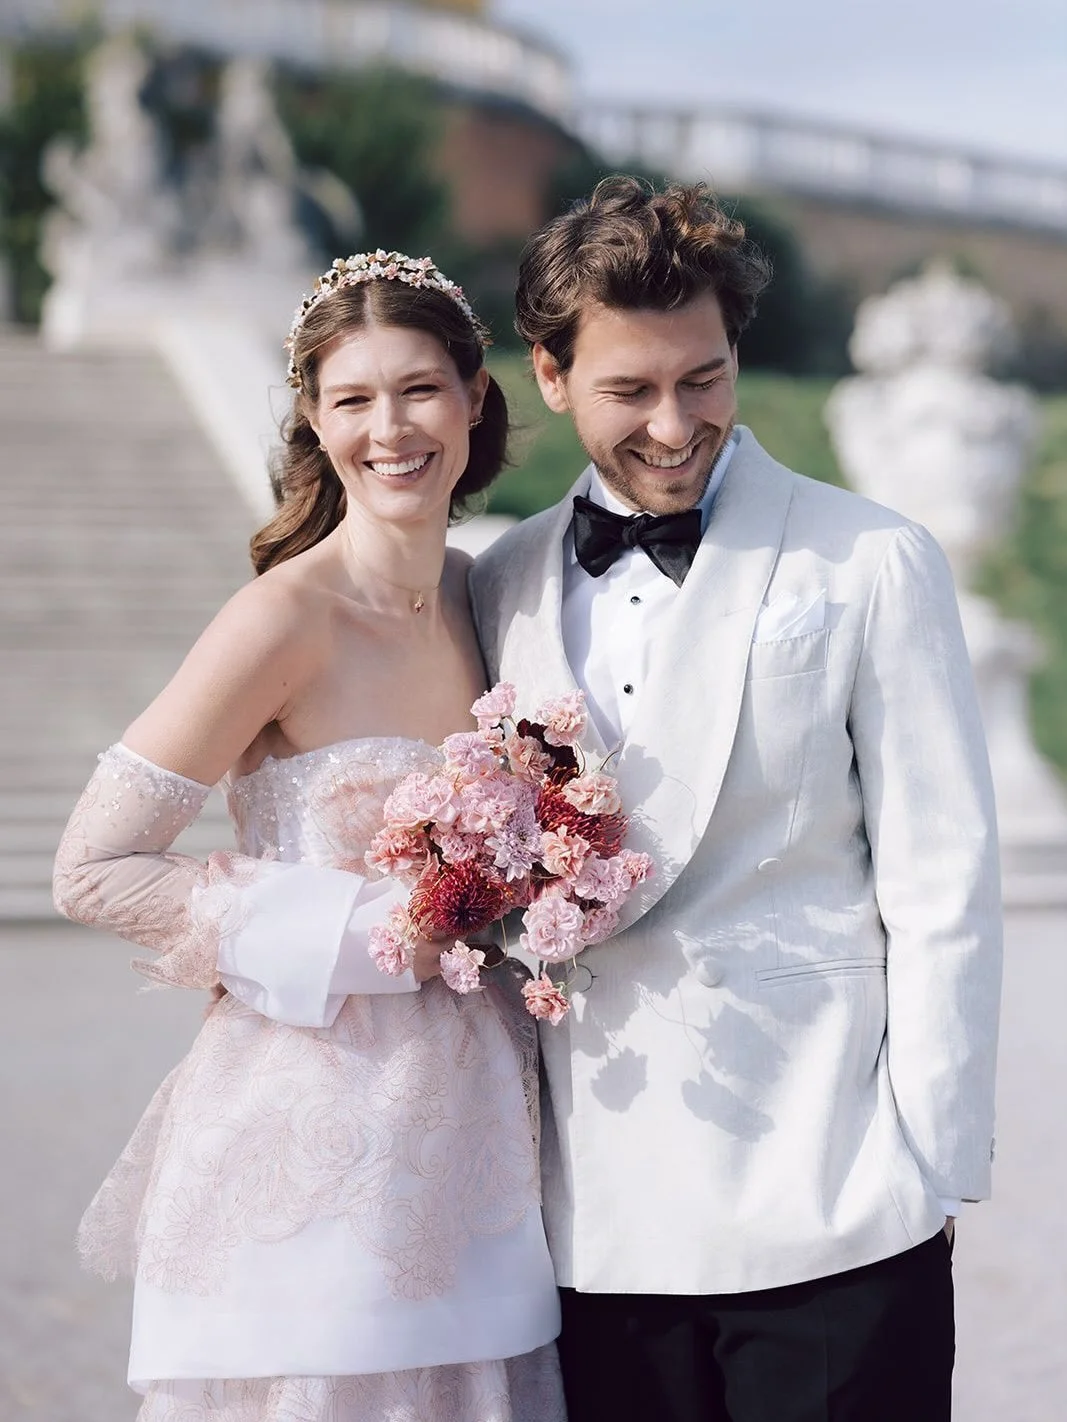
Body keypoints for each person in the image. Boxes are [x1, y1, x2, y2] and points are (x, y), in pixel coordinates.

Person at [469, 178, 1003, 1422]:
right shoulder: (497, 582)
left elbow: (943, 881)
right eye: (629, 390)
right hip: (594, 1216)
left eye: (701, 379)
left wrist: (928, 1169)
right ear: (547, 375)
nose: (672, 423)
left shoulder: (870, 557)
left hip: (834, 1203)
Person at [52, 251, 565, 1422]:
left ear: (474, 399)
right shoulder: (282, 617)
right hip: (312, 1128)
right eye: (352, 399)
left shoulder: (492, 605)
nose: (390, 428)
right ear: (314, 421)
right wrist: (382, 928)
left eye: (419, 389)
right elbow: (92, 867)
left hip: (480, 1139)